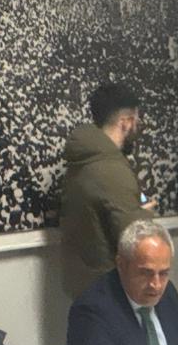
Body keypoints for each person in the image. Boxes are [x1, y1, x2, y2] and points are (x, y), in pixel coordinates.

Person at [59, 80, 158, 299]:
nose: (138, 127)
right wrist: (144, 214)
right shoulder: (111, 170)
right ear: (126, 122)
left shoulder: (82, 162)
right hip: (109, 290)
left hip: (86, 285)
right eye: (136, 120)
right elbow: (134, 240)